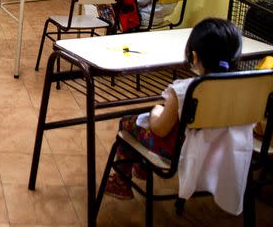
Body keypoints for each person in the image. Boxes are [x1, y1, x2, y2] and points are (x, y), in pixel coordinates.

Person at [104, 18, 245, 205]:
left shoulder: (183, 91)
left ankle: (123, 181)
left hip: (179, 152)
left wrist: (155, 111)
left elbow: (160, 129)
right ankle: (141, 167)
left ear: (194, 57)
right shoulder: (245, 89)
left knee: (128, 122)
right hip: (224, 151)